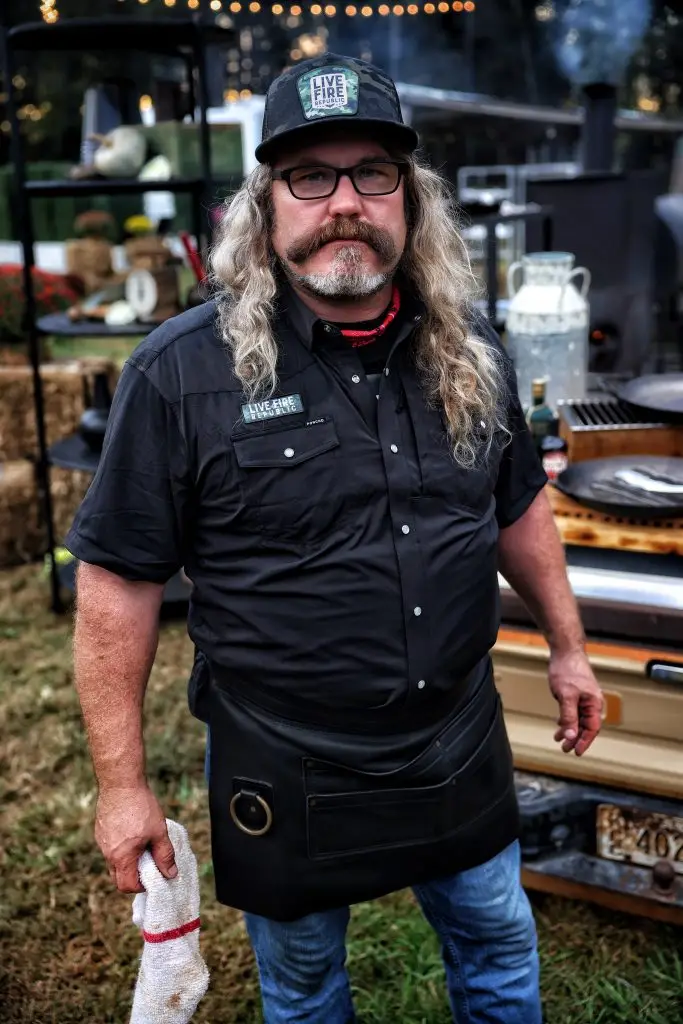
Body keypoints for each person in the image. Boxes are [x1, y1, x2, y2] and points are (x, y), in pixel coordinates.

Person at [68, 53, 604, 1024]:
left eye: (371, 173)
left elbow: (518, 504)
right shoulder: (178, 375)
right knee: (307, 989)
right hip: (286, 759)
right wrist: (123, 787)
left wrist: (567, 645)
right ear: (265, 204)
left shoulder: (471, 349)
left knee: (495, 946)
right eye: (309, 177)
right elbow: (117, 582)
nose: (343, 203)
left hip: (455, 738)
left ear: (412, 197)